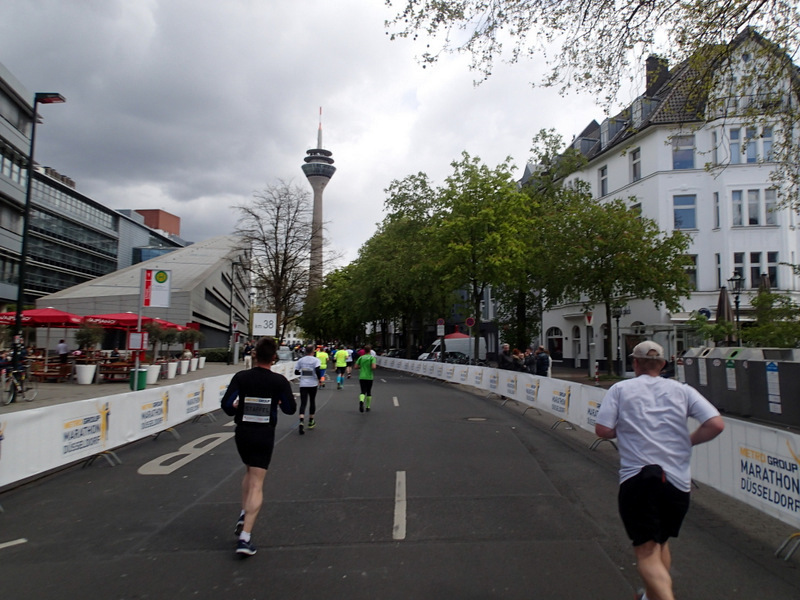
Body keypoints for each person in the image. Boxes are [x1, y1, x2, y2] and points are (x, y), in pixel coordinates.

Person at [594, 340, 724, 600]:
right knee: (661, 541)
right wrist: (688, 440)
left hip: (639, 477)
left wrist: (627, 428)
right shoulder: (683, 391)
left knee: (644, 551)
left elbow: (603, 430)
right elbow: (715, 424)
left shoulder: (621, 389)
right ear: (664, 364)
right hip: (677, 481)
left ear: (635, 363)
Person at [220, 337, 297, 557]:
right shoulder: (279, 381)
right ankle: (245, 538)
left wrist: (237, 408)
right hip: (264, 434)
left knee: (249, 470)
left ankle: (244, 512)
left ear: (255, 354)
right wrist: (280, 402)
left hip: (243, 432)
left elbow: (226, 405)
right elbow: (291, 409)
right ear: (274, 357)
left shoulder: (241, 377)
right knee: (257, 482)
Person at [294, 344, 321, 435]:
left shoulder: (301, 360)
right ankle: (311, 421)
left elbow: (296, 371)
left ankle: (301, 421)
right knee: (312, 401)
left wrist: (303, 371)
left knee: (303, 402)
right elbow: (317, 370)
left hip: (303, 384)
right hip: (313, 383)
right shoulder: (316, 360)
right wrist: (320, 379)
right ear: (313, 351)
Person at [355, 344, 377, 412]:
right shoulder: (372, 358)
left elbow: (355, 367)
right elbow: (373, 367)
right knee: (369, 392)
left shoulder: (361, 358)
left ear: (364, 350)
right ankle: (368, 406)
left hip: (362, 376)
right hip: (369, 377)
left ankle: (361, 401)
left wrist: (361, 367)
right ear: (370, 351)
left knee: (362, 391)